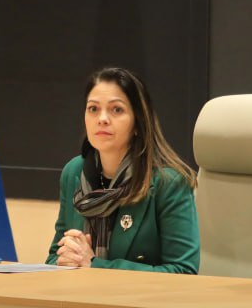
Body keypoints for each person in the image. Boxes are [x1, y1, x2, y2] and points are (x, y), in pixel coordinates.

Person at [47, 67, 199, 273]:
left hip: (139, 295)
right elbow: (54, 256)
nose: (102, 118)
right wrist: (65, 258)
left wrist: (95, 265)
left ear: (137, 122)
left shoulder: (169, 183)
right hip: (80, 292)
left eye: (116, 110)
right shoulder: (73, 172)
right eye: (93, 109)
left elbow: (183, 271)